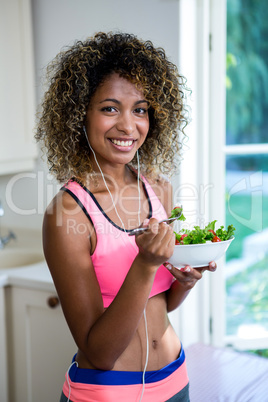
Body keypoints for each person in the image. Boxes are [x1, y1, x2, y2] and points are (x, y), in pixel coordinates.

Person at [36, 31, 217, 402]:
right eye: (109, 108)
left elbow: (158, 305)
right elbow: (100, 353)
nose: (128, 126)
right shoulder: (68, 213)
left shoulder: (159, 189)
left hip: (175, 379)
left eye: (140, 109)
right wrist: (146, 263)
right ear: (78, 116)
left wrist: (185, 278)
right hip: (108, 392)